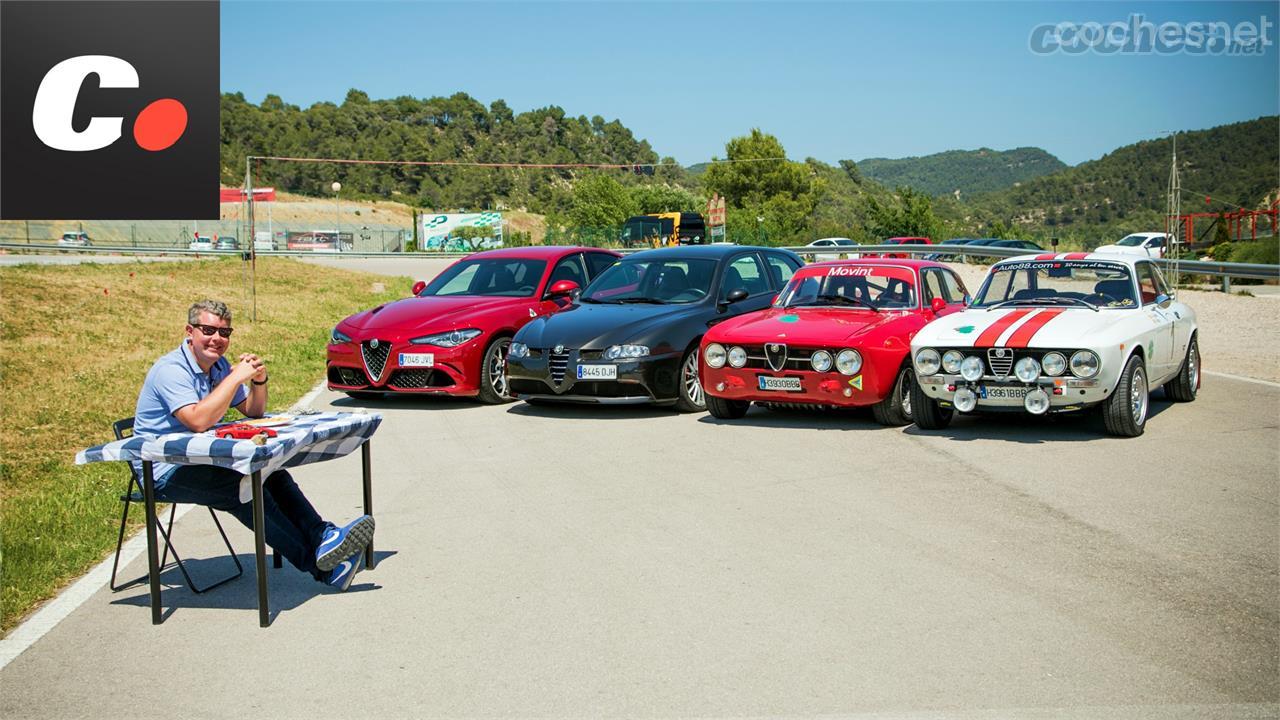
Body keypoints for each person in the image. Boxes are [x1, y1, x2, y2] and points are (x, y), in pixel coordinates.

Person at [133, 299, 374, 591]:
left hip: (199, 459)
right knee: (243, 489)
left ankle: (325, 537)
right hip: (162, 470)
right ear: (190, 331)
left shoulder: (218, 366)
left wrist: (259, 380)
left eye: (224, 332)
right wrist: (235, 377)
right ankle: (323, 568)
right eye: (208, 330)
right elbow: (197, 420)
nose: (217, 339)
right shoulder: (171, 370)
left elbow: (254, 411)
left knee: (271, 471)